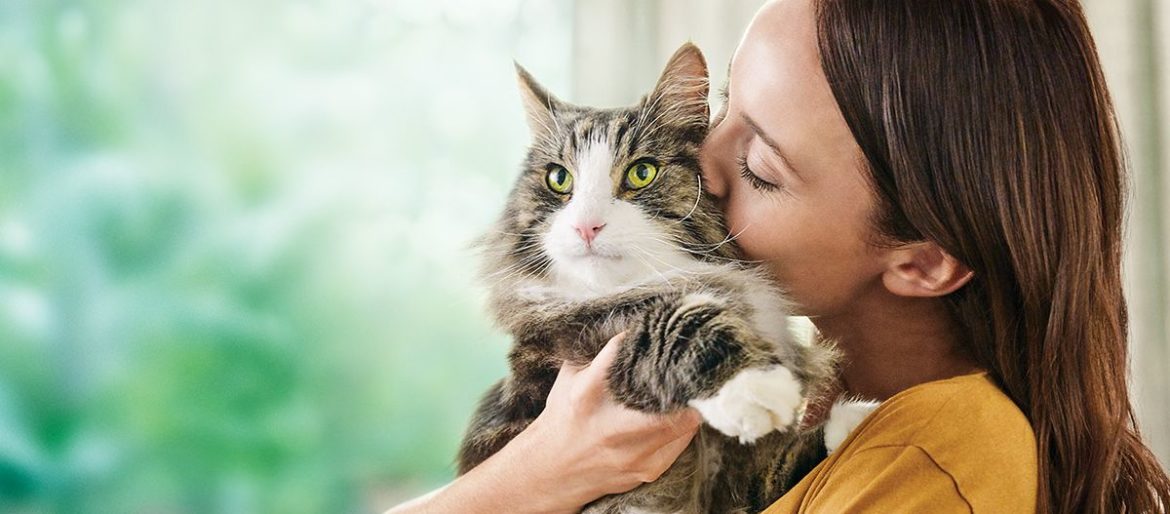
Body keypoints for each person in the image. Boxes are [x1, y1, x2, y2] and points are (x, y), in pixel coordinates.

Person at [389, 0, 1170, 512]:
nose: (701, 165)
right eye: (721, 109)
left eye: (761, 166)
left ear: (923, 261)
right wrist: (538, 470)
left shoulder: (933, 470)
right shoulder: (810, 402)